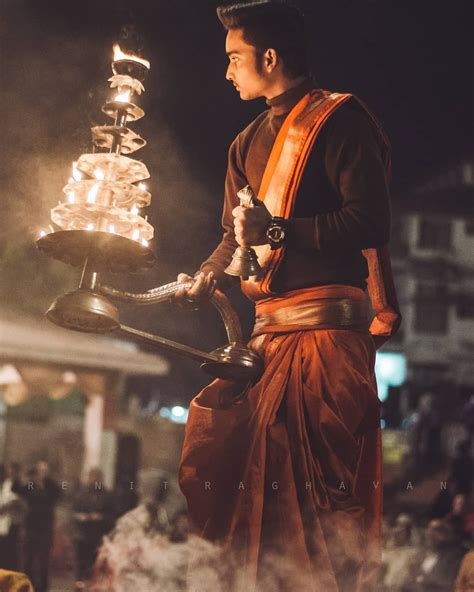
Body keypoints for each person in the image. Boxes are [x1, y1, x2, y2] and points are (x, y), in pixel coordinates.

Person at [177, 2, 400, 591]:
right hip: (266, 347)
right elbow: (234, 235)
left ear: (269, 58)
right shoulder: (243, 143)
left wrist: (278, 230)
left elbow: (370, 223)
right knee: (242, 495)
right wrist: (205, 274)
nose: (225, 71)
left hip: (327, 344)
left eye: (234, 57)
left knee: (327, 512)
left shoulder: (341, 120)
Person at [14, 461, 61, 592]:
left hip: (46, 527)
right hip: (31, 525)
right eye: (40, 470)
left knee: (44, 560)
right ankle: (28, 585)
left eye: (45, 470)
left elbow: (61, 491)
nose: (42, 473)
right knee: (29, 558)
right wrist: (21, 477)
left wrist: (55, 480)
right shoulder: (31, 484)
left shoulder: (51, 486)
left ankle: (43, 588)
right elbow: (19, 490)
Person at [72, 468, 115, 586]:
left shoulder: (107, 495)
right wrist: (80, 517)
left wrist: (100, 517)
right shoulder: (82, 494)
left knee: (96, 565)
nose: (95, 480)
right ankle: (80, 585)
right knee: (81, 565)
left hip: (98, 536)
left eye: (97, 478)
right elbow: (75, 510)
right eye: (93, 477)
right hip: (82, 535)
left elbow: (112, 515)